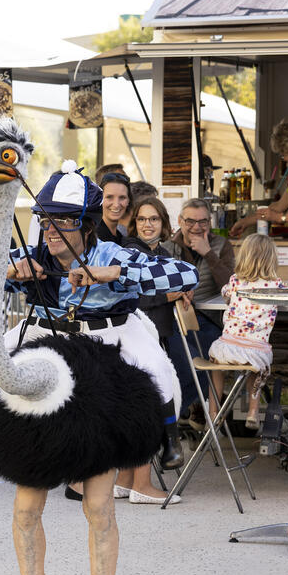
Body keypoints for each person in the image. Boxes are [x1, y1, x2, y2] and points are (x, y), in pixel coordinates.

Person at [0, 161, 199, 504]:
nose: (51, 230)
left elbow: (185, 275)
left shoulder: (115, 253)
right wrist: (6, 269)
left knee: (156, 367)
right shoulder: (33, 255)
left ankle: (166, 439)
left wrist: (110, 274)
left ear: (88, 226)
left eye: (63, 221)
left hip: (109, 332)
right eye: (46, 220)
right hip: (45, 329)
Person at [117, 197, 188, 499]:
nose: (148, 224)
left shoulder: (160, 252)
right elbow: (134, 298)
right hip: (137, 339)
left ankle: (124, 481)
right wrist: (170, 296)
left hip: (149, 336)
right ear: (135, 224)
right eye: (143, 219)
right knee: (148, 408)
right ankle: (142, 486)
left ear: (163, 223)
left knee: (135, 409)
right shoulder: (132, 252)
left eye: (154, 219)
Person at [163, 198, 235, 422]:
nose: (196, 227)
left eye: (203, 221)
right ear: (180, 221)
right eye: (190, 221)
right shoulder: (167, 247)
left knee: (208, 364)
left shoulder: (221, 245)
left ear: (210, 221)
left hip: (210, 321)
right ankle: (177, 414)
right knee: (190, 366)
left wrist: (208, 254)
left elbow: (229, 287)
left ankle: (172, 418)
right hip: (175, 320)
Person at [207, 234, 284, 431]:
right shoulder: (276, 285)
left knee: (217, 369)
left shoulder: (235, 281)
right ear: (271, 259)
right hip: (256, 351)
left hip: (226, 348)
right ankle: (252, 411)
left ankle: (214, 412)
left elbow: (225, 295)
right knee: (255, 369)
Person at [97, 171, 132, 243]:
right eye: (109, 197)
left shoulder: (120, 236)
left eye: (122, 197)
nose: (116, 204)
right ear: (99, 199)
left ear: (128, 200)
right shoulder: (93, 236)